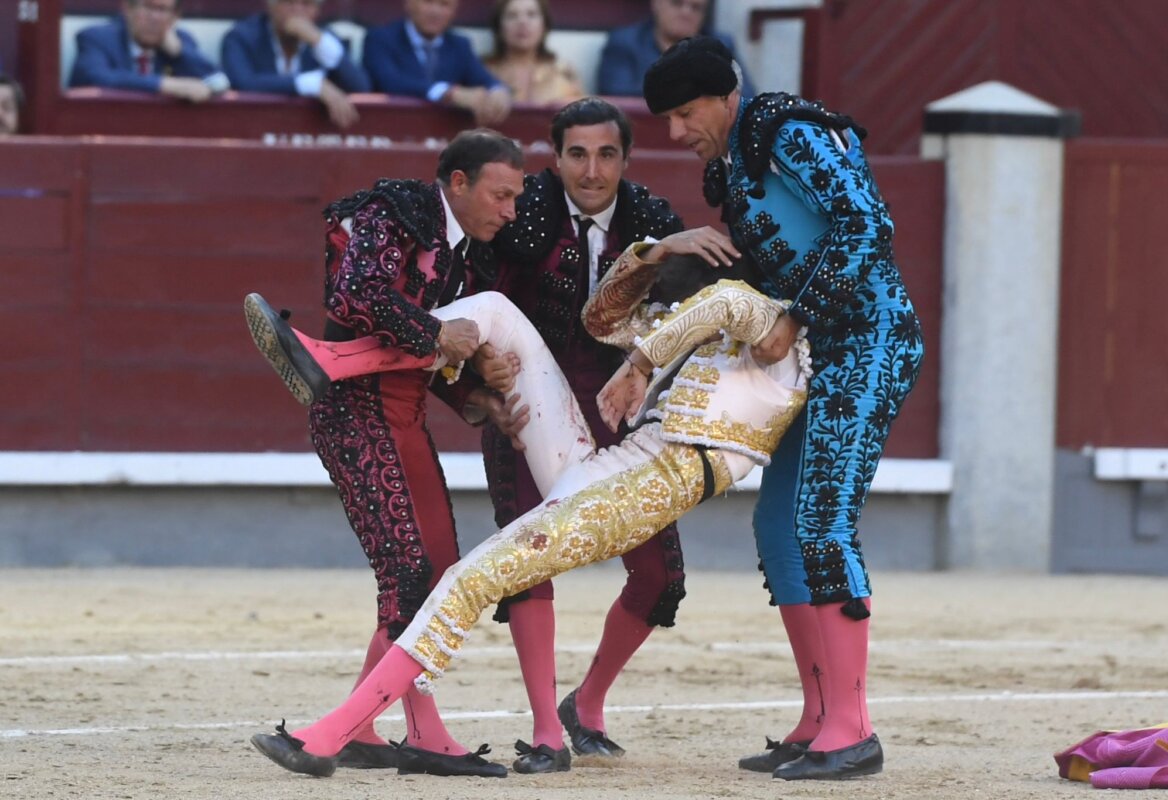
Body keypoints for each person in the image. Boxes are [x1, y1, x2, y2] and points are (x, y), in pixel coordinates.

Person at [243, 225, 814, 780]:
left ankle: (332, 734)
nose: (672, 308)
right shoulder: (698, 331)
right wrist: (654, 252)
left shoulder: (772, 330)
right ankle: (334, 360)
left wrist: (639, 365)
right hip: (595, 468)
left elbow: (729, 303)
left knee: (468, 579)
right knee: (492, 309)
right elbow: (601, 318)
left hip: (637, 491)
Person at [641, 36, 925, 780]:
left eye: (684, 112)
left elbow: (867, 223)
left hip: (868, 338)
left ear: (726, 95)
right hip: (817, 351)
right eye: (666, 118)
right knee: (779, 521)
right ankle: (820, 714)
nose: (676, 131)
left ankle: (852, 729)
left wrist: (798, 314)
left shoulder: (785, 131)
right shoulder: (733, 162)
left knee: (821, 517)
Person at [245, 128, 528, 778]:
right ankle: (416, 734)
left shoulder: (468, 254)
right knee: (412, 578)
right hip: (355, 416)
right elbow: (355, 295)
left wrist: (475, 400)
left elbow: (431, 353)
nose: (510, 210)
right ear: (458, 184)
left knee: (439, 574)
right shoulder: (394, 211)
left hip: (404, 415)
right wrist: (437, 331)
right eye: (501, 194)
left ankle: (369, 726)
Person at [481, 96, 685, 772]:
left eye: (606, 155)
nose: (591, 171)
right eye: (576, 154)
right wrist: (483, 393)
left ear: (625, 158)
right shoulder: (524, 209)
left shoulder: (654, 219)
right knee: (530, 556)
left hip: (619, 405)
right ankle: (545, 729)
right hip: (527, 402)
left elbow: (687, 318)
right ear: (556, 155)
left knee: (658, 575)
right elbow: (477, 301)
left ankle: (586, 704)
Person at [220, 0, 371, 130]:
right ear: (271, 6)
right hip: (253, 129)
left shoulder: (325, 39)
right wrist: (312, 84)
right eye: (289, 2)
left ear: (317, 10)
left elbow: (360, 86)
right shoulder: (242, 37)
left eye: (307, 3)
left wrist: (318, 41)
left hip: (310, 137)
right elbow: (242, 82)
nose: (297, 11)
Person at [364, 0, 512, 126]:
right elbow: (390, 82)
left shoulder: (460, 45)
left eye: (444, 4)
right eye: (428, 2)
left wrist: (497, 90)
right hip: (392, 129)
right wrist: (447, 93)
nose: (435, 11)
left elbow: (484, 79)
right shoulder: (380, 39)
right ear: (408, 3)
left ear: (454, 10)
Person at [68, 0, 230, 102]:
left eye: (163, 9)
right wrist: (164, 84)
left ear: (175, 17)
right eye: (148, 7)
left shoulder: (181, 42)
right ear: (127, 8)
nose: (155, 17)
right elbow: (97, 77)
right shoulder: (97, 38)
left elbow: (218, 80)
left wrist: (180, 53)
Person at [596, 0, 754, 98]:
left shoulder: (721, 46)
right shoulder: (625, 42)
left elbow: (745, 97)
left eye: (696, 7)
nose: (686, 12)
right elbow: (618, 97)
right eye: (677, 3)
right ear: (656, 3)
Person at [482, 0, 583, 106]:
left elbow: (581, 118)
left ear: (544, 26)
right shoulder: (482, 71)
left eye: (531, 14)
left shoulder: (563, 72)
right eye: (512, 15)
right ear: (499, 28)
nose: (522, 22)